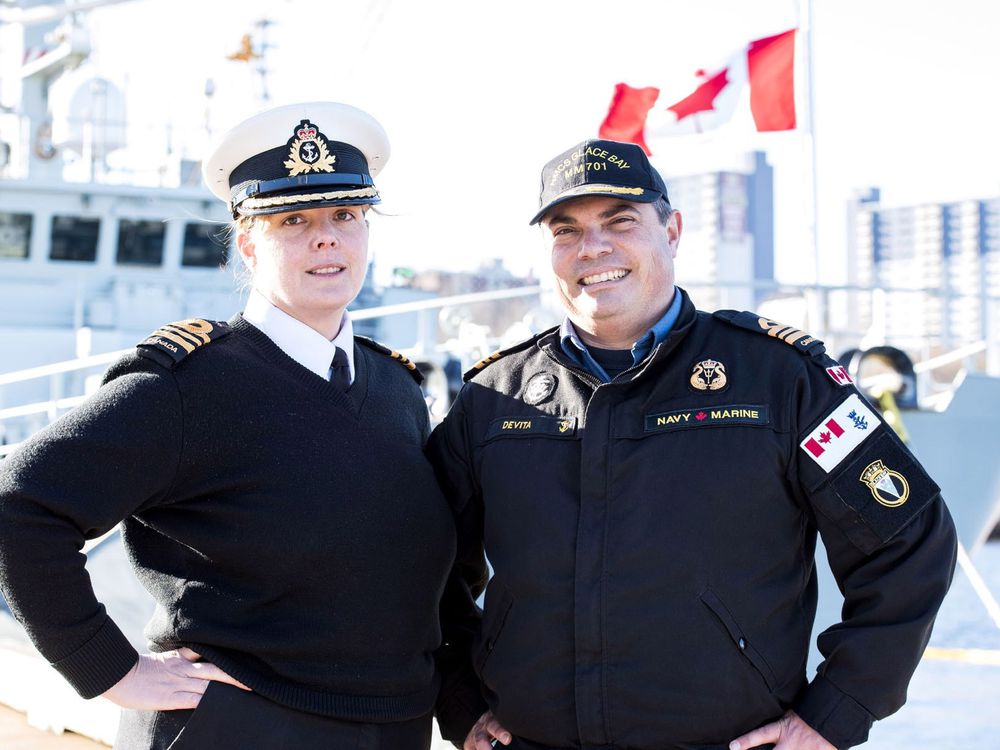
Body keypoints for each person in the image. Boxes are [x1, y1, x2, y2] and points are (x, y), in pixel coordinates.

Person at [429, 139, 958, 750]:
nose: (592, 248)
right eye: (566, 230)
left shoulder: (780, 379)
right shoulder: (494, 397)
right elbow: (421, 567)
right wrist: (459, 700)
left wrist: (836, 713)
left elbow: (909, 539)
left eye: (620, 221)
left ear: (672, 231)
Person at [0, 102, 461, 749]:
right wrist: (109, 669)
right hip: (239, 727)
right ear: (248, 243)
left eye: (345, 215)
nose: (326, 238)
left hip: (391, 727)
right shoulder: (189, 385)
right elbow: (20, 504)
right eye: (293, 220)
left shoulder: (396, 388)